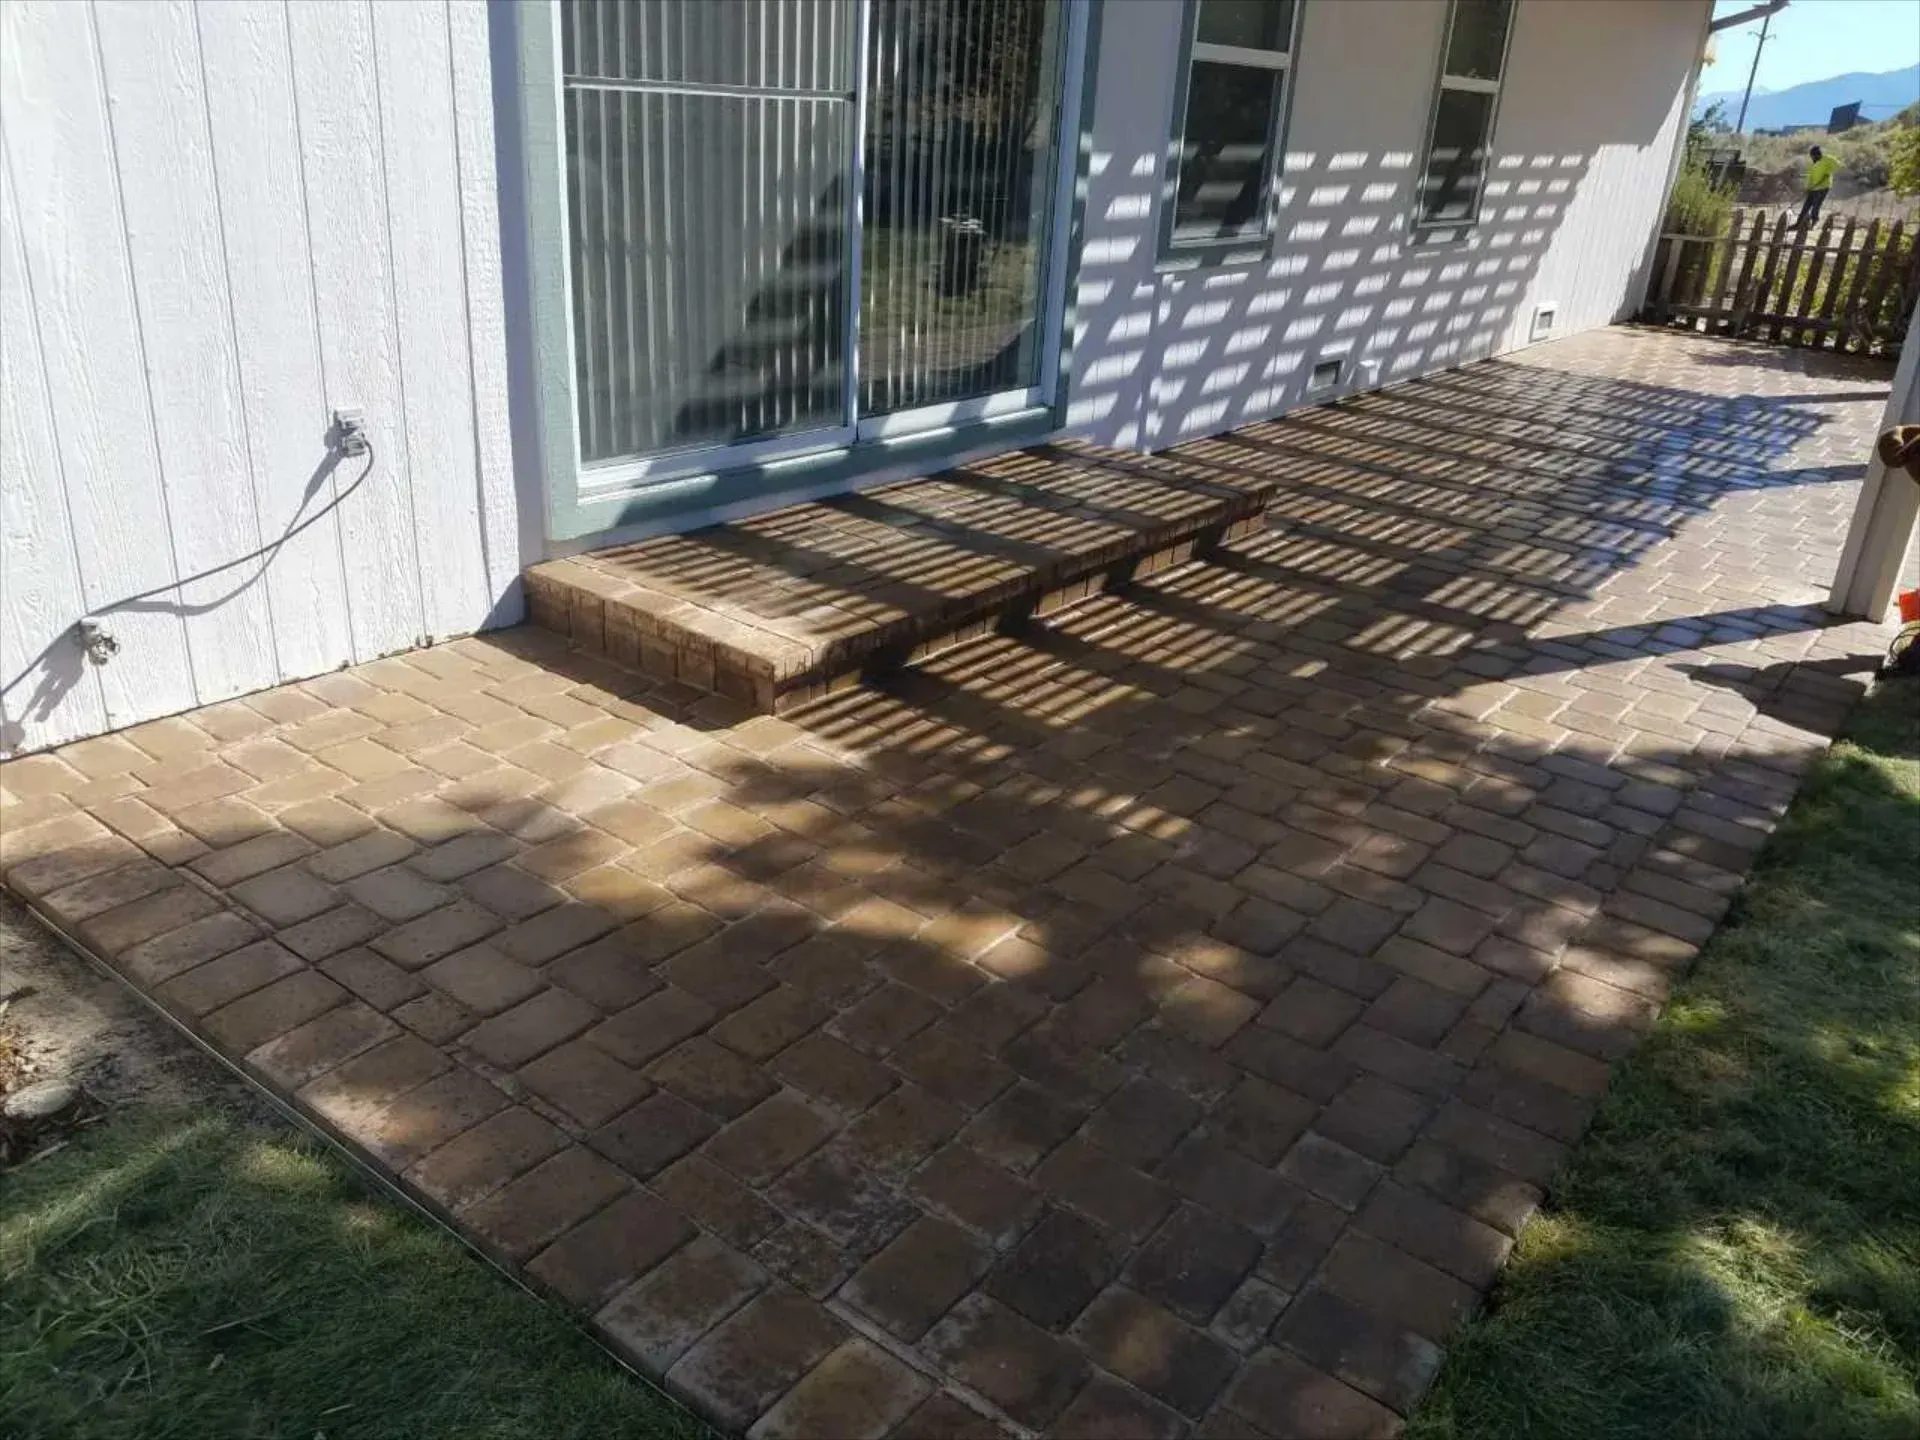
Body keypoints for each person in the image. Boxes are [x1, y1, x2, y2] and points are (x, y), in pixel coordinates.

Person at [1797, 145, 1837, 227]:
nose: (1811, 157)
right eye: (1811, 156)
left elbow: (1826, 176)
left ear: (1817, 155)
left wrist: (1815, 185)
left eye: (1812, 155)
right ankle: (1798, 223)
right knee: (1806, 206)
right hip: (1813, 188)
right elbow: (1811, 176)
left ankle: (1813, 222)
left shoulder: (1827, 162)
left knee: (1816, 205)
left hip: (1823, 188)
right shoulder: (1815, 164)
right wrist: (1808, 187)